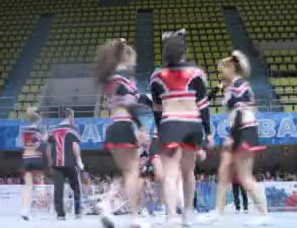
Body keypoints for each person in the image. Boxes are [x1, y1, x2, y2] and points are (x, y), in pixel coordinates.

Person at [149, 29, 212, 226]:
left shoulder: (157, 76)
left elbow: (157, 110)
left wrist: (160, 131)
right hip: (192, 124)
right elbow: (203, 105)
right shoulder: (197, 73)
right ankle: (188, 213)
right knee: (188, 172)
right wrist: (208, 132)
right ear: (184, 51)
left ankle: (170, 217)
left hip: (170, 123)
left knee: (170, 174)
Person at [206, 51, 268, 225]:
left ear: (231, 67)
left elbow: (241, 110)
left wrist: (232, 136)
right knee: (224, 170)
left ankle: (263, 215)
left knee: (245, 176)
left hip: (243, 130)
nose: (220, 74)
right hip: (236, 129)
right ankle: (218, 211)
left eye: (222, 70)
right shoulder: (231, 85)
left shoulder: (239, 83)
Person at [95, 38, 150, 228]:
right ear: (126, 57)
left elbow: (125, 100)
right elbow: (129, 104)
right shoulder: (126, 76)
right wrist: (141, 126)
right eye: (132, 59)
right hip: (125, 125)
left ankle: (107, 202)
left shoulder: (108, 78)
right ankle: (133, 217)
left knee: (127, 172)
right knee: (133, 171)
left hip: (112, 126)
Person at [46, 114, 84, 221]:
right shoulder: (72, 129)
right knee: (76, 187)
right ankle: (77, 212)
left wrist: (50, 162)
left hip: (56, 165)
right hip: (70, 163)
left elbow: (49, 147)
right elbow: (75, 145)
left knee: (58, 189)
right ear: (70, 117)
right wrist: (79, 160)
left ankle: (60, 215)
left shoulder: (52, 130)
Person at [19, 107, 44, 221]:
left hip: (25, 158)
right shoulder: (37, 131)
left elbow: (23, 146)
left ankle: (24, 209)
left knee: (28, 186)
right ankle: (38, 209)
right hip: (36, 158)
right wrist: (45, 138)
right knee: (40, 183)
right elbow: (38, 145)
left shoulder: (24, 131)